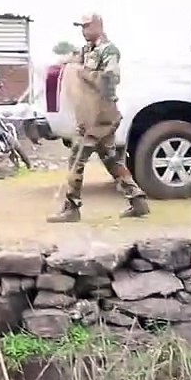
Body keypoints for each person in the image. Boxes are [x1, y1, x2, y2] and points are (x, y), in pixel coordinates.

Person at [47, 12, 149, 223]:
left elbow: (111, 79)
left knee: (76, 159)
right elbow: (73, 61)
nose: (83, 31)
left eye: (87, 27)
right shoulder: (88, 50)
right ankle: (137, 201)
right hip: (90, 113)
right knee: (111, 159)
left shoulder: (108, 50)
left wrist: (85, 74)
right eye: (81, 28)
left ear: (98, 26)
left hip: (100, 115)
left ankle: (71, 208)